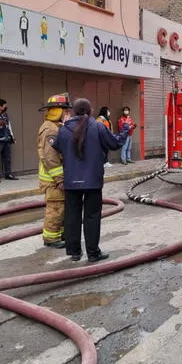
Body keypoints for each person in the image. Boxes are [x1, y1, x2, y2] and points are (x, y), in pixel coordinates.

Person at [54, 98, 129, 262]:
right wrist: (125, 131)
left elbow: (57, 147)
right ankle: (93, 253)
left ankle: (74, 252)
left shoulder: (64, 129)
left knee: (72, 216)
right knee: (92, 216)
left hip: (71, 181)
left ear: (74, 111)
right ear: (90, 110)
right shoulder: (97, 127)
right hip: (93, 181)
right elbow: (115, 143)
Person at [37, 93, 72, 248]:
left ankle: (60, 234)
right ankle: (51, 238)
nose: (67, 113)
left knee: (62, 208)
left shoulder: (57, 127)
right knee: (56, 208)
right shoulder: (50, 129)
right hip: (53, 180)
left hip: (56, 178)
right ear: (58, 111)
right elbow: (51, 157)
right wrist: (60, 179)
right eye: (65, 110)